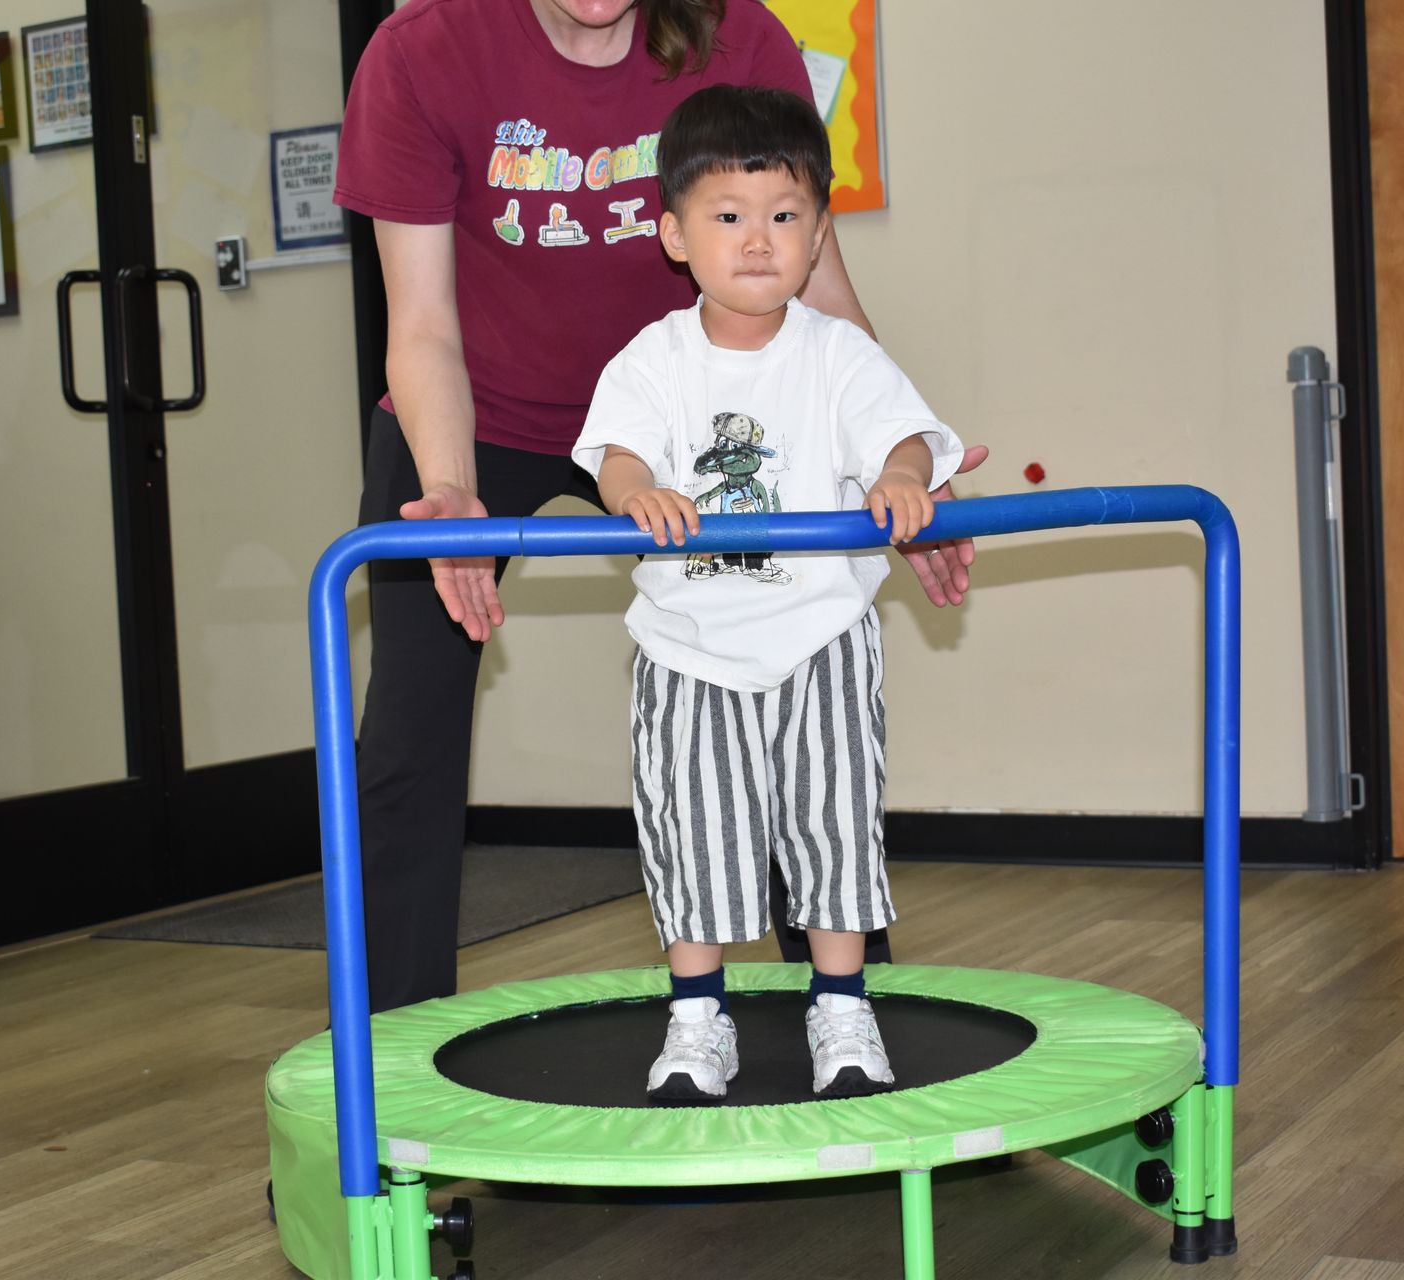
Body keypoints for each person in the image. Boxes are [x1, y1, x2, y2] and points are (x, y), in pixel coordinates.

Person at [333, 0, 983, 1017]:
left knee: (773, 655)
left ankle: (844, 1027)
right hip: (472, 411)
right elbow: (420, 325)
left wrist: (896, 464)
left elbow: (817, 291)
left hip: (690, 405)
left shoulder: (740, 38)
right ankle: (386, 1099)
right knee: (410, 740)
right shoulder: (421, 51)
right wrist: (451, 489)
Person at [571, 84, 965, 1099]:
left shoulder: (837, 354)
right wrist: (638, 490)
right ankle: (699, 1017)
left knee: (833, 822)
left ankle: (844, 1003)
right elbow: (615, 455)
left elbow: (903, 433)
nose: (758, 241)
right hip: (688, 646)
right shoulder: (654, 359)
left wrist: (904, 477)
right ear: (673, 233)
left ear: (818, 231)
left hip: (818, 636)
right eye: (729, 216)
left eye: (785, 217)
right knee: (691, 828)